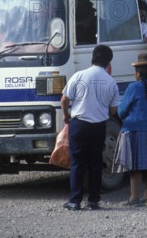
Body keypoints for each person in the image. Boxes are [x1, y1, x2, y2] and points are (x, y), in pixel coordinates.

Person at [60, 45, 120, 210]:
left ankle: (75, 201)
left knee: (77, 163)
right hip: (99, 126)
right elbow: (113, 110)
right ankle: (94, 200)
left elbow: (64, 100)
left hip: (79, 124)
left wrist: (66, 115)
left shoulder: (79, 75)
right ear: (108, 62)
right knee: (95, 163)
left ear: (92, 58)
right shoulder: (111, 82)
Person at [111, 53, 147, 206]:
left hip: (134, 130)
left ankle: (134, 197)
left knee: (135, 166)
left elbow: (122, 111)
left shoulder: (133, 87)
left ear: (139, 73)